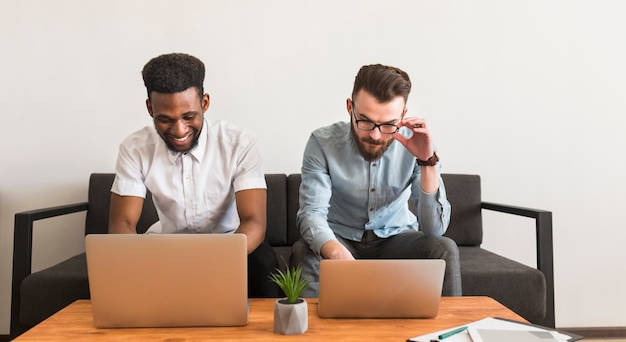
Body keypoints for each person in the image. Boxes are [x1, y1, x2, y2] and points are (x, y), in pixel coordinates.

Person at [108, 52, 279, 297]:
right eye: (165, 119)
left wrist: (214, 262)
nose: (179, 130)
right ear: (150, 108)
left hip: (230, 243)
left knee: (264, 261)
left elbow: (254, 222)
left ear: (205, 103)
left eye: (189, 117)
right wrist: (139, 263)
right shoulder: (134, 149)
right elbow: (122, 224)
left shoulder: (239, 143)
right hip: (166, 246)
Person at [290, 63, 462, 297]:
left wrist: (427, 161)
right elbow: (311, 213)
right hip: (341, 236)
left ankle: (447, 332)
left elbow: (434, 230)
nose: (375, 134)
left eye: (388, 125)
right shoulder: (322, 143)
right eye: (365, 121)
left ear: (403, 115)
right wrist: (335, 252)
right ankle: (314, 334)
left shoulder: (419, 145)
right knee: (304, 251)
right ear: (350, 108)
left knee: (443, 249)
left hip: (396, 237)